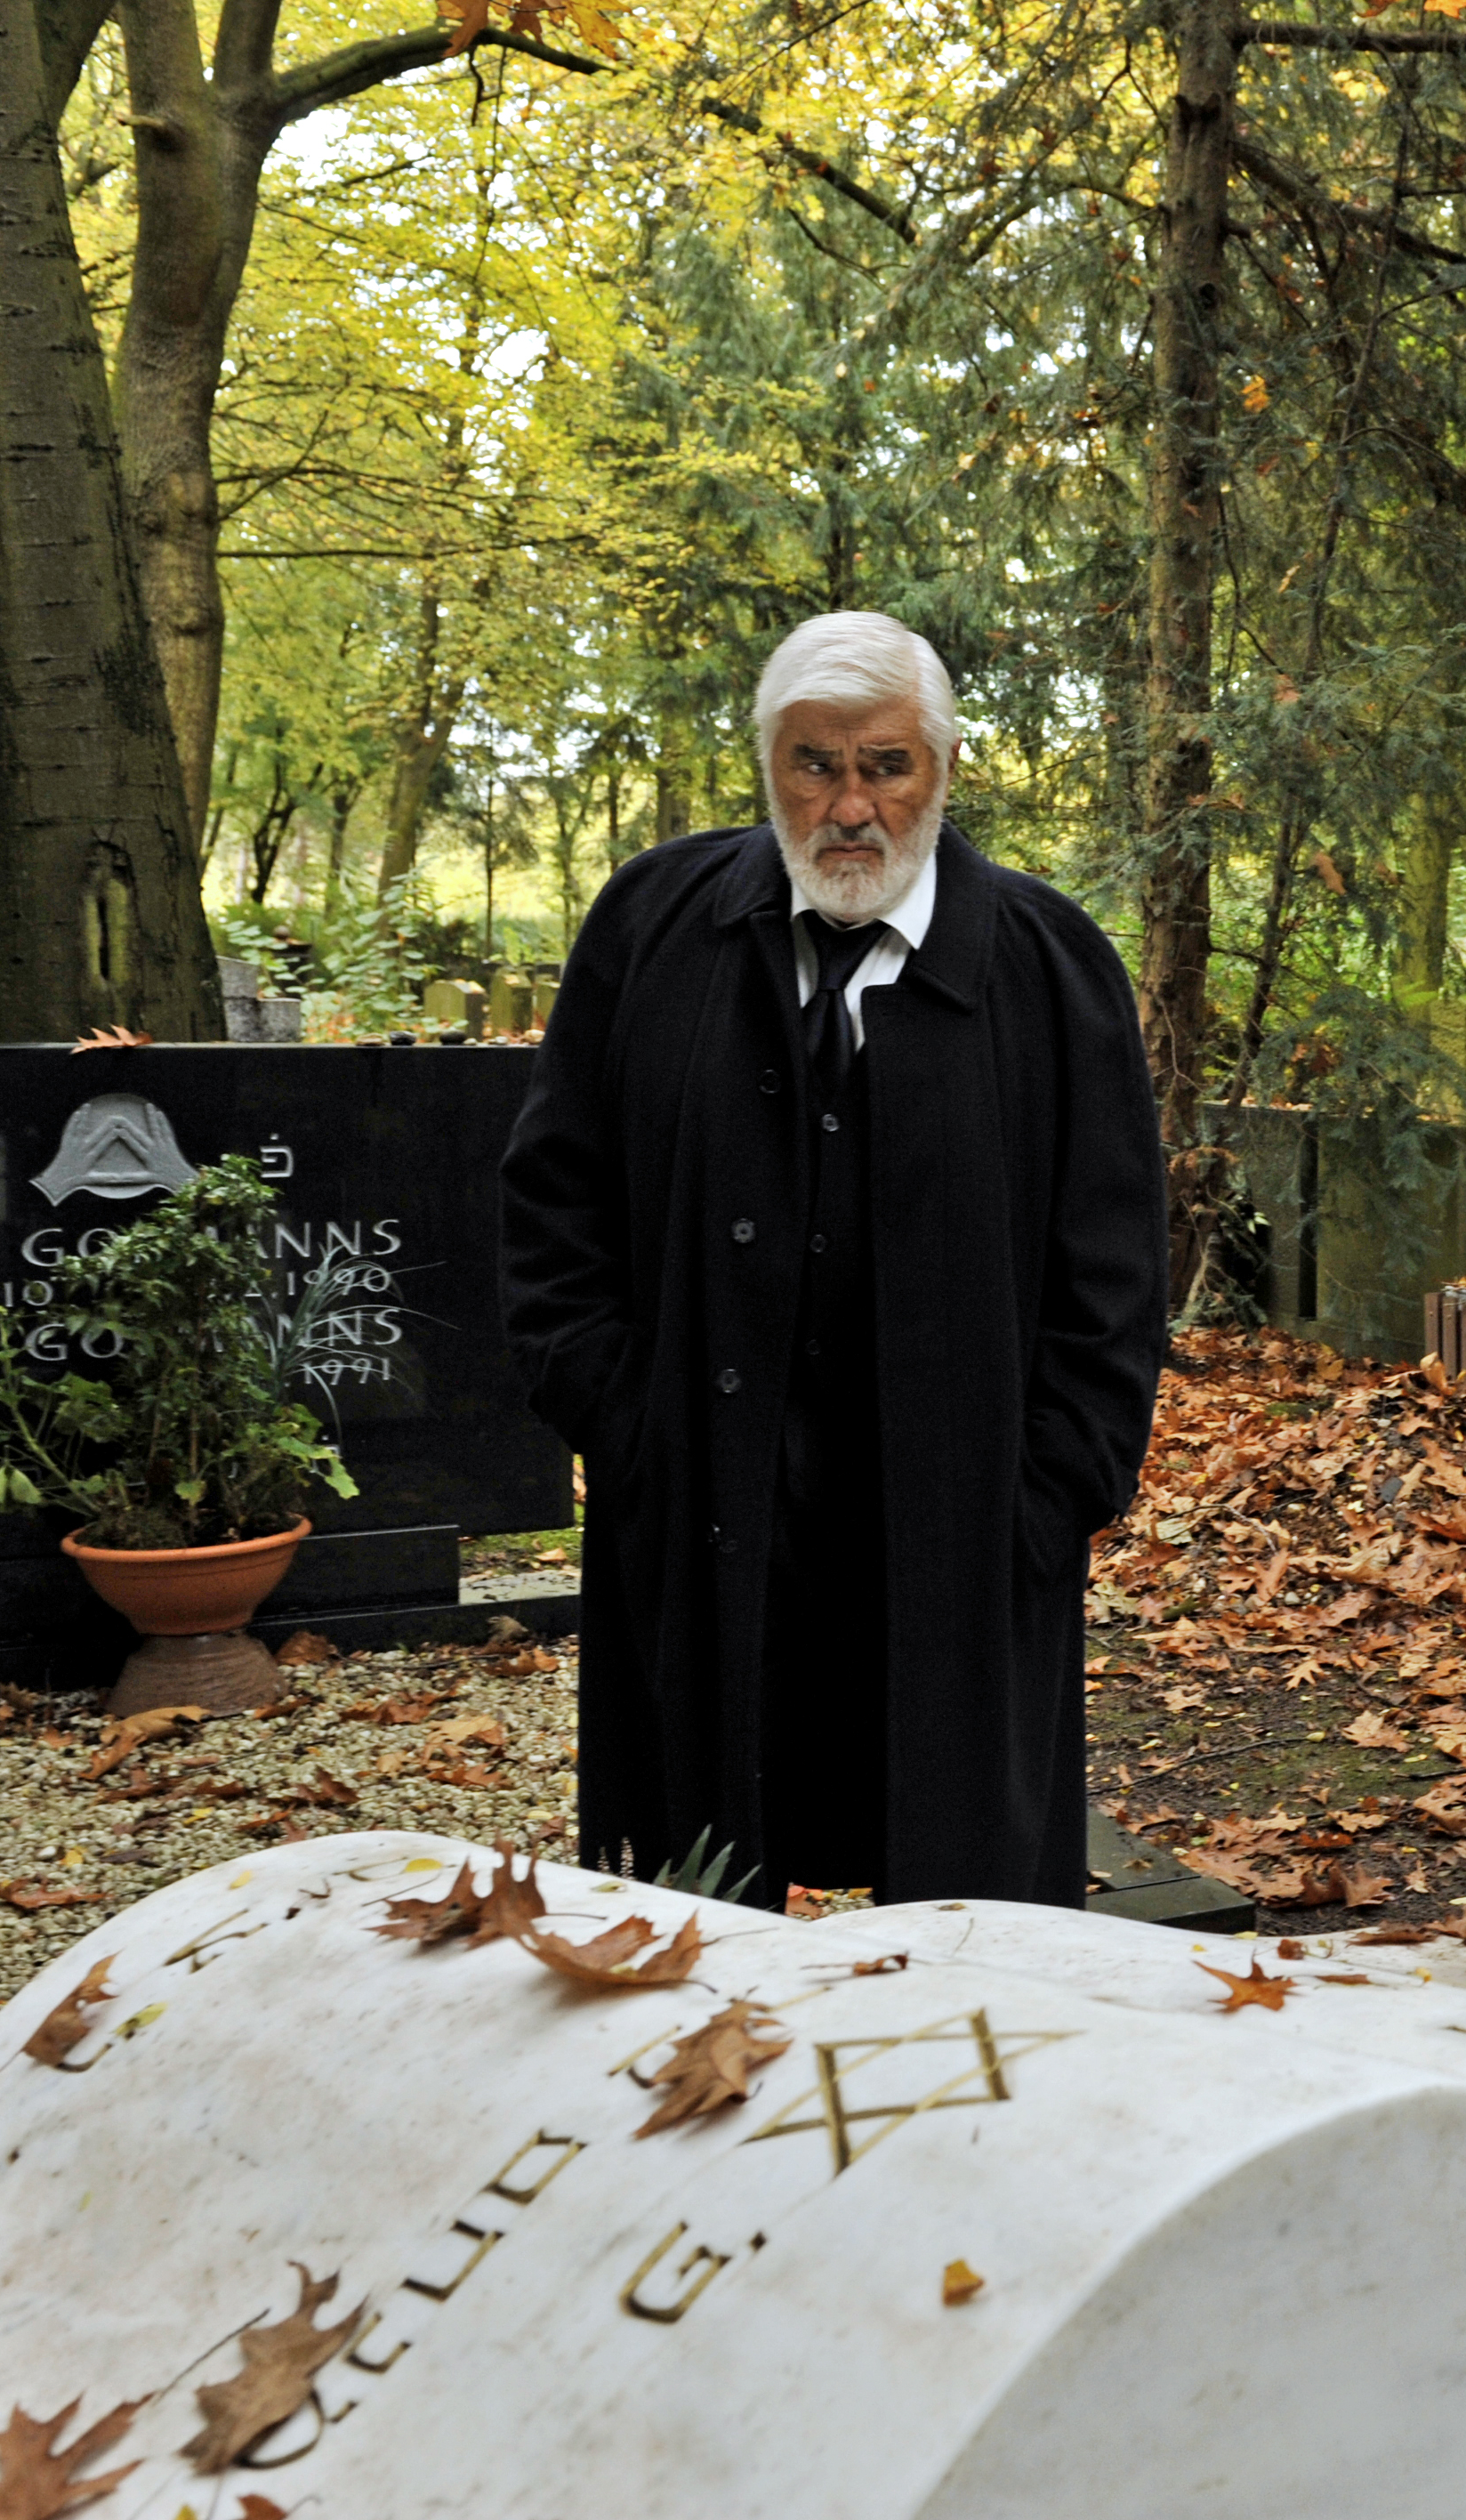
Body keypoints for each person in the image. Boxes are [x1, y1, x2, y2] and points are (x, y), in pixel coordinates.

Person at [497, 612, 1165, 1905]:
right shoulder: (654, 926)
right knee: (693, 1899)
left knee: (960, 1923)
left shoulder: (1049, 966)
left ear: (943, 770)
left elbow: (1115, 1275)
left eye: (886, 766)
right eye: (815, 765)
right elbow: (551, 1200)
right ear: (769, 767)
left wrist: (1051, 1496)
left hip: (963, 1534)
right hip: (703, 1499)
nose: (850, 805)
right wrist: (623, 1425)